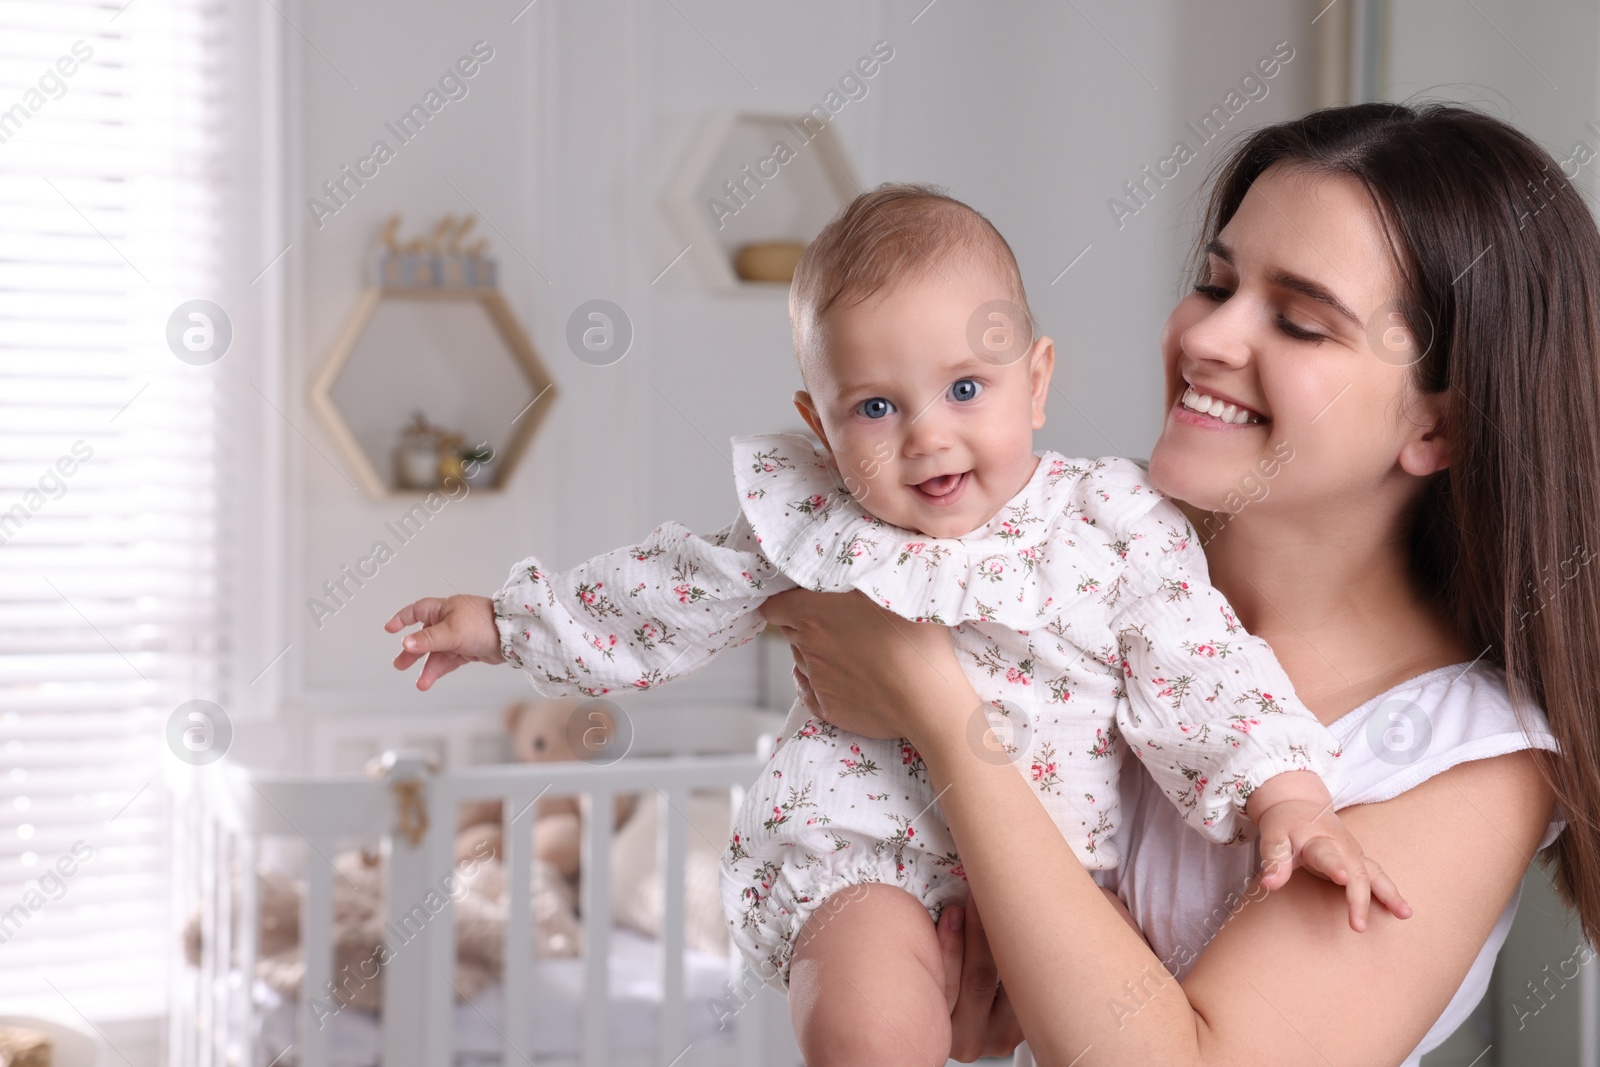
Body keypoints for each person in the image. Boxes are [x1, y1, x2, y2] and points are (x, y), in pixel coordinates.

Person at [385, 185, 1409, 1066]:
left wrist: (1287, 792)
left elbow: (1200, 661)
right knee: (867, 1028)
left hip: (1048, 868)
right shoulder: (814, 522)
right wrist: (505, 622)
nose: (927, 435)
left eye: (966, 388)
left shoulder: (1109, 524)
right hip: (863, 850)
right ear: (818, 422)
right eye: (874, 407)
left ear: (1037, 379)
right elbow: (667, 590)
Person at [760, 102, 1598, 1066]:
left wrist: (937, 709)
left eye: (1297, 321)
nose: (1207, 338)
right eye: (1215, 283)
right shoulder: (1074, 576)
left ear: (1436, 430)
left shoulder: (1466, 761)